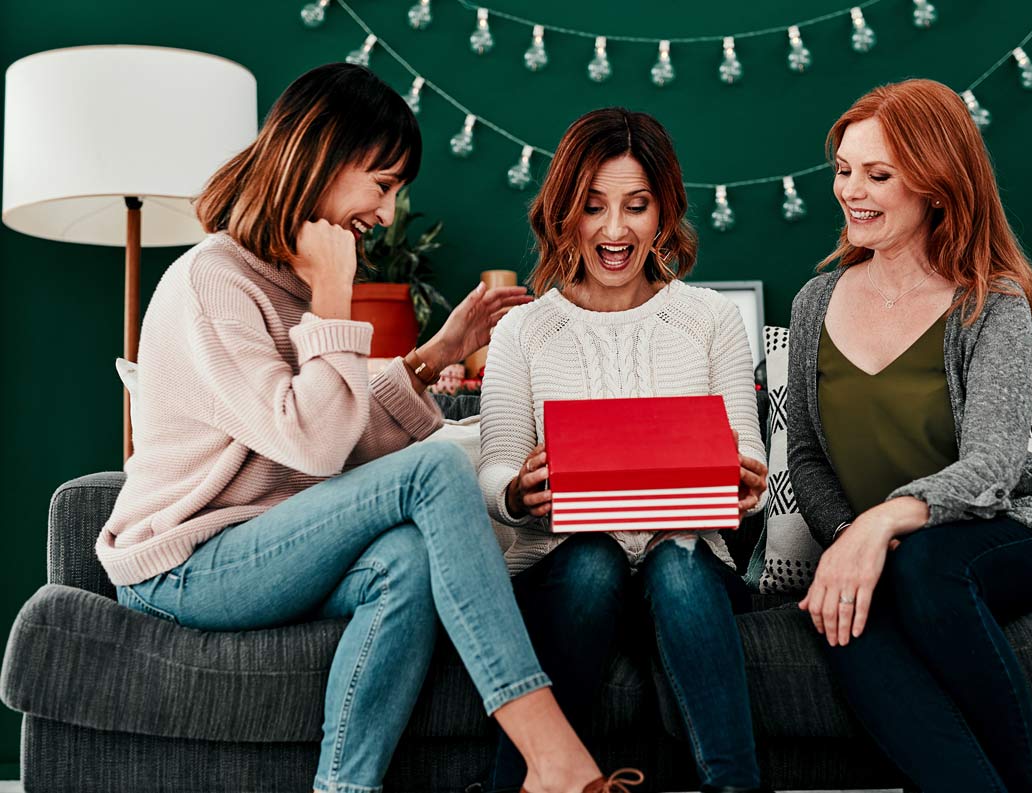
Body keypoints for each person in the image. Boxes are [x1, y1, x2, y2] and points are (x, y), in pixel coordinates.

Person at [96, 63, 640, 793]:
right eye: (381, 185)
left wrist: (431, 358)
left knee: (408, 556)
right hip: (186, 564)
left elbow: (339, 439)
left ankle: (345, 789)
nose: (386, 214)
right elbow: (314, 442)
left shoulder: (286, 279)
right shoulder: (213, 282)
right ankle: (552, 757)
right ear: (319, 157)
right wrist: (332, 294)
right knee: (439, 469)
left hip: (265, 539)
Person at [785, 78, 1032, 793]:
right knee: (843, 612)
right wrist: (849, 538)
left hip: (1008, 529)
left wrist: (879, 528)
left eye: (878, 174)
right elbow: (806, 455)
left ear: (935, 182)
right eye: (844, 170)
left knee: (922, 567)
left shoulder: (989, 300)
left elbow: (995, 464)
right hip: (894, 545)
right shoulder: (816, 301)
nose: (852, 191)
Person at [478, 108, 771, 793]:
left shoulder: (709, 318)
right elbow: (494, 467)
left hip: (687, 562)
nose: (615, 231)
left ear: (664, 211)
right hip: (563, 566)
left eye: (636, 206)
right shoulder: (524, 329)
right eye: (593, 207)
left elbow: (748, 455)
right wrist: (518, 490)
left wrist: (742, 481)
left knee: (677, 558)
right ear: (563, 214)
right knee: (592, 560)